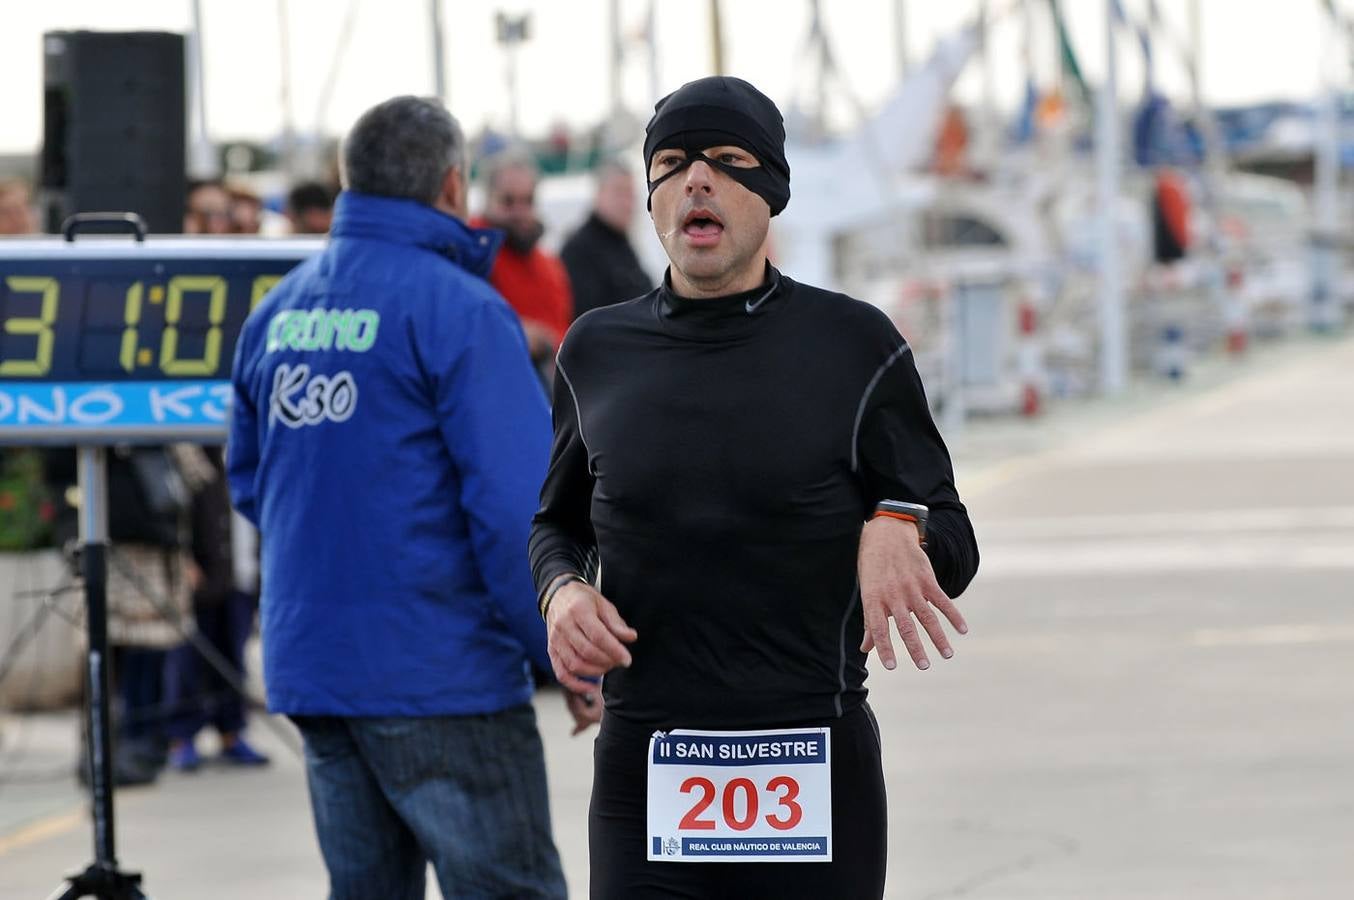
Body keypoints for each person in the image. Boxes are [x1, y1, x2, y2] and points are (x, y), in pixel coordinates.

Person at [529, 76, 980, 899]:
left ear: (771, 191)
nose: (697, 179)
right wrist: (561, 595)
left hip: (813, 756)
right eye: (672, 162)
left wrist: (897, 519)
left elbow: (953, 541)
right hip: (648, 764)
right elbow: (555, 526)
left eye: (728, 161)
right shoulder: (595, 351)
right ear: (653, 195)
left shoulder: (854, 345)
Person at [228, 95, 590, 900]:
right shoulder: (460, 312)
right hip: (441, 677)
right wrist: (562, 646)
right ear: (453, 186)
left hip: (315, 678)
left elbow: (254, 487)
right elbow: (515, 514)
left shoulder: (277, 315)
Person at [163, 446, 269, 771]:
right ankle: (183, 738)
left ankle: (232, 734)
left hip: (242, 575)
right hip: (203, 576)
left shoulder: (254, 449)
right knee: (189, 660)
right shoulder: (193, 452)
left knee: (233, 659)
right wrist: (184, 560)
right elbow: (173, 509)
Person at [472, 150, 573, 373]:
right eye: (508, 201)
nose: (520, 211)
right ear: (488, 199)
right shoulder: (469, 253)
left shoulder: (550, 266)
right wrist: (520, 334)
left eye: (528, 200)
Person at [559, 160, 653, 318]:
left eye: (631, 195)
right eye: (619, 192)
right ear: (599, 194)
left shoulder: (621, 243)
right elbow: (588, 317)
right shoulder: (579, 250)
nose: (627, 203)